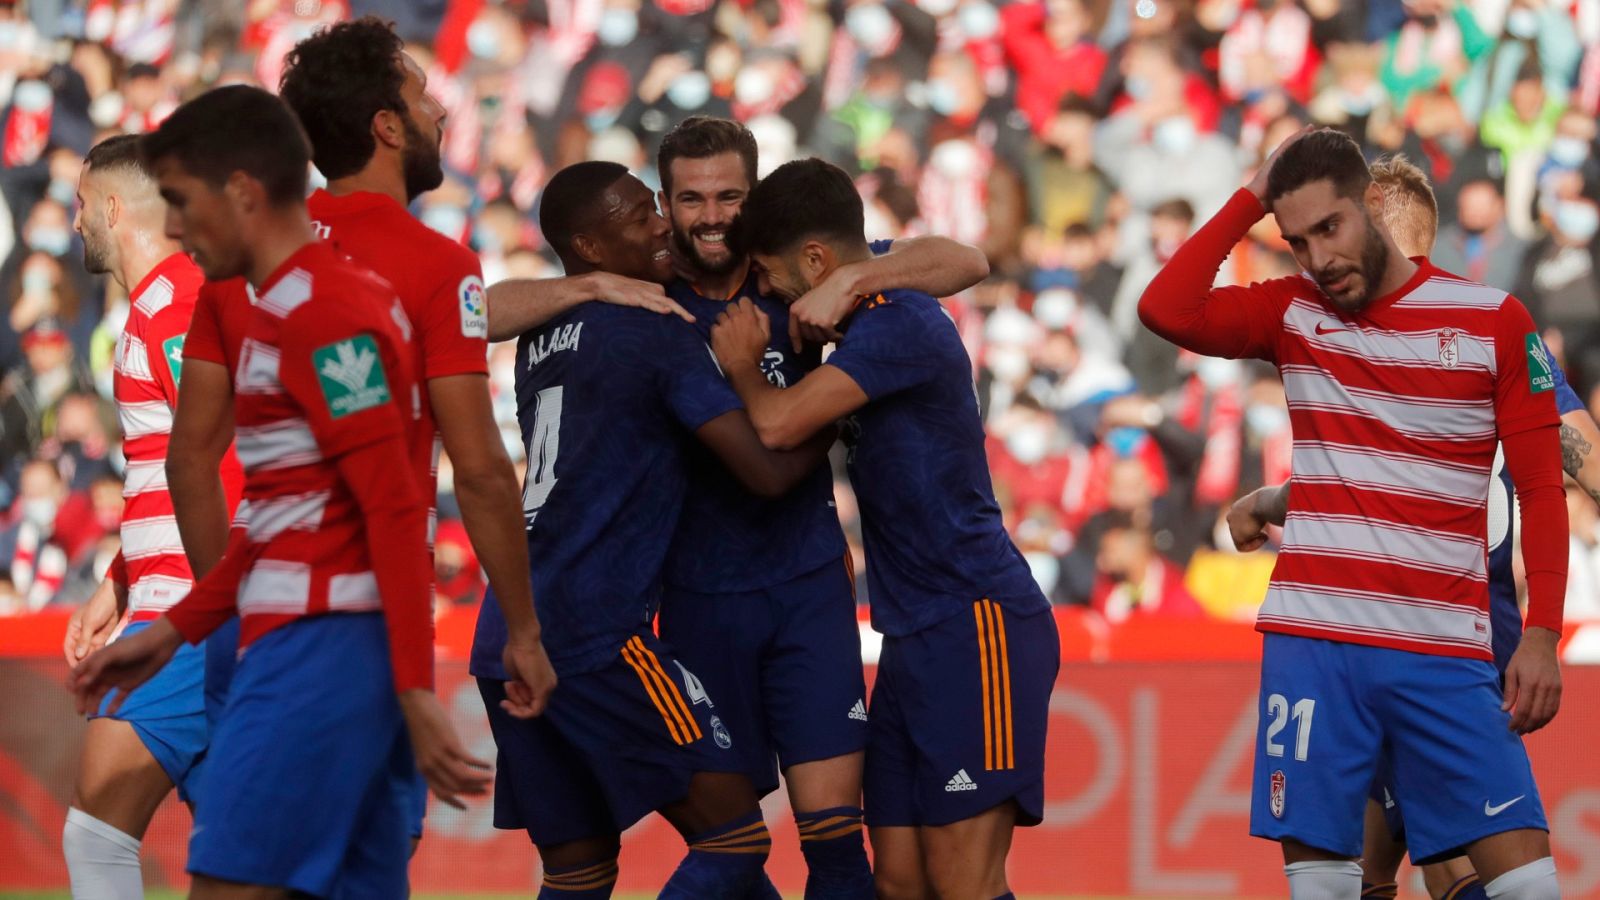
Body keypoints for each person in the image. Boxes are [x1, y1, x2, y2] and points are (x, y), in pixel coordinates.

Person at [485, 114, 989, 896]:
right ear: (665, 201)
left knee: (829, 837)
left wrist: (858, 278)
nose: (711, 215)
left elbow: (964, 258)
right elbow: (474, 313)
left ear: (753, 196)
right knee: (731, 844)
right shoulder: (646, 297)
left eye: (729, 195)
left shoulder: (792, 269)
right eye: (689, 199)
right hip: (696, 605)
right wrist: (585, 281)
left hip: (805, 588)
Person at [69, 85, 489, 898]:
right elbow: (277, 511)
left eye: (184, 204)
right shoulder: (258, 311)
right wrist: (174, 629)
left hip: (319, 652)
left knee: (230, 883)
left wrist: (409, 685)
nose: (176, 230)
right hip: (285, 637)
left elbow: (394, 508)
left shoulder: (332, 314)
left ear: (243, 194)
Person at [1140, 127, 1567, 899]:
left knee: (1530, 885)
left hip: (1444, 653)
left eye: (1328, 228)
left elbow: (1542, 488)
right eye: (1296, 241)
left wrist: (1542, 633)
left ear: (1371, 204)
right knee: (1333, 888)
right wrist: (1249, 196)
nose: (1318, 258)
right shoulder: (1291, 312)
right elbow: (1165, 309)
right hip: (1315, 650)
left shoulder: (1493, 321)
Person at [469, 160, 837, 898]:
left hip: (508, 635)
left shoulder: (544, 335)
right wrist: (838, 404)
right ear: (592, 248)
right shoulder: (654, 331)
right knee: (734, 836)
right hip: (599, 634)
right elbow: (764, 474)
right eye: (642, 217)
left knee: (578, 873)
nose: (664, 224)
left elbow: (469, 314)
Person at [709, 157, 1059, 900]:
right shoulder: (875, 316)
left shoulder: (900, 321)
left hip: (978, 622)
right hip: (913, 638)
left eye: (770, 275)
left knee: (965, 884)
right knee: (899, 883)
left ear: (815, 259)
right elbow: (951, 256)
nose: (766, 292)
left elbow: (775, 425)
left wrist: (742, 366)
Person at [278, 22, 558, 803]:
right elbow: (478, 469)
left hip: (257, 603)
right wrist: (526, 634)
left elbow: (191, 450)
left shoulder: (258, 251)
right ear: (387, 127)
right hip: (367, 611)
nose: (439, 115)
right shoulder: (438, 264)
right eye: (423, 99)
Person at [58, 133, 231, 900]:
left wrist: (209, 605)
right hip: (179, 605)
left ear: (114, 207)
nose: (73, 223)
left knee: (94, 829)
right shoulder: (157, 308)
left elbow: (222, 460)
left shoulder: (176, 305)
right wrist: (121, 578)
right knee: (237, 863)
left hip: (193, 616)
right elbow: (175, 467)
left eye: (80, 205)